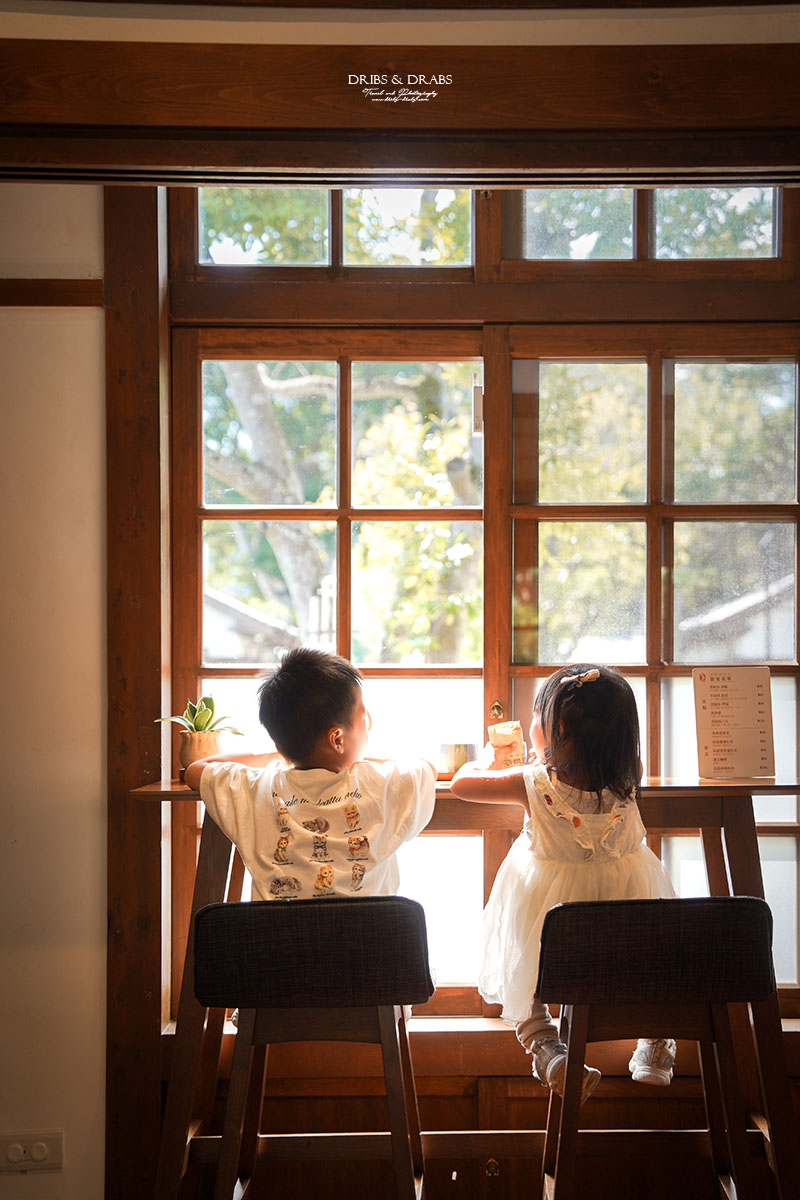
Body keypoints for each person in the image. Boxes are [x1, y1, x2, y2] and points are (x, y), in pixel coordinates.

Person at [450, 664, 677, 1104]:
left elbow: (461, 785)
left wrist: (490, 758)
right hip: (622, 923)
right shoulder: (630, 777)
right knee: (654, 954)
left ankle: (546, 1048)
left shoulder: (532, 783)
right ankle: (655, 1040)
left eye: (537, 716)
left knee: (522, 959)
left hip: (557, 935)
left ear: (555, 729)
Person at [184, 647, 436, 901]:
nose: (366, 723)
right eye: (363, 716)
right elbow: (425, 767)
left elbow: (195, 770)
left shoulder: (257, 787)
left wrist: (276, 754)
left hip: (278, 940)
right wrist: (360, 760)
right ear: (337, 738)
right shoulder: (380, 782)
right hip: (370, 938)